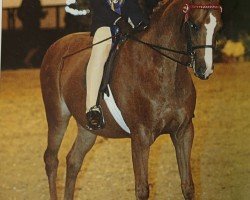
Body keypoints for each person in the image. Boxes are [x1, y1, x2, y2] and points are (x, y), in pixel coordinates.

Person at [86, 0, 149, 130]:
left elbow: (132, 6)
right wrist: (118, 21)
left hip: (126, 26)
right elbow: (98, 6)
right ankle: (92, 108)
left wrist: (141, 22)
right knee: (99, 54)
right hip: (105, 25)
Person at [17, 0, 47, 66]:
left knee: (29, 44)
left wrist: (24, 21)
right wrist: (43, 14)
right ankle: (27, 61)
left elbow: (19, 13)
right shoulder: (36, 1)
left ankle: (27, 60)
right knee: (36, 44)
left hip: (26, 25)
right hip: (34, 26)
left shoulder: (25, 1)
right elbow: (38, 13)